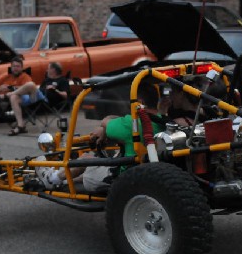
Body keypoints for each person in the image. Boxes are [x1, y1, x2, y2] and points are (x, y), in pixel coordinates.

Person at [35, 82, 166, 191]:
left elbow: (106, 121)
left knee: (86, 159)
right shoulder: (162, 121)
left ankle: (51, 179)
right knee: (101, 160)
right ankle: (64, 180)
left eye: (131, 101)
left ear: (140, 102)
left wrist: (103, 129)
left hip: (123, 179)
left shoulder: (131, 124)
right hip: (144, 173)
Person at [3, 62, 70, 136]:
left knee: (31, 84)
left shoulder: (62, 80)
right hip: (36, 99)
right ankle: (20, 126)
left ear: (53, 70)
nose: (47, 70)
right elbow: (39, 91)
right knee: (14, 97)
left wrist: (55, 89)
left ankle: (12, 93)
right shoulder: (46, 80)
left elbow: (65, 95)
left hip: (45, 101)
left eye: (48, 68)